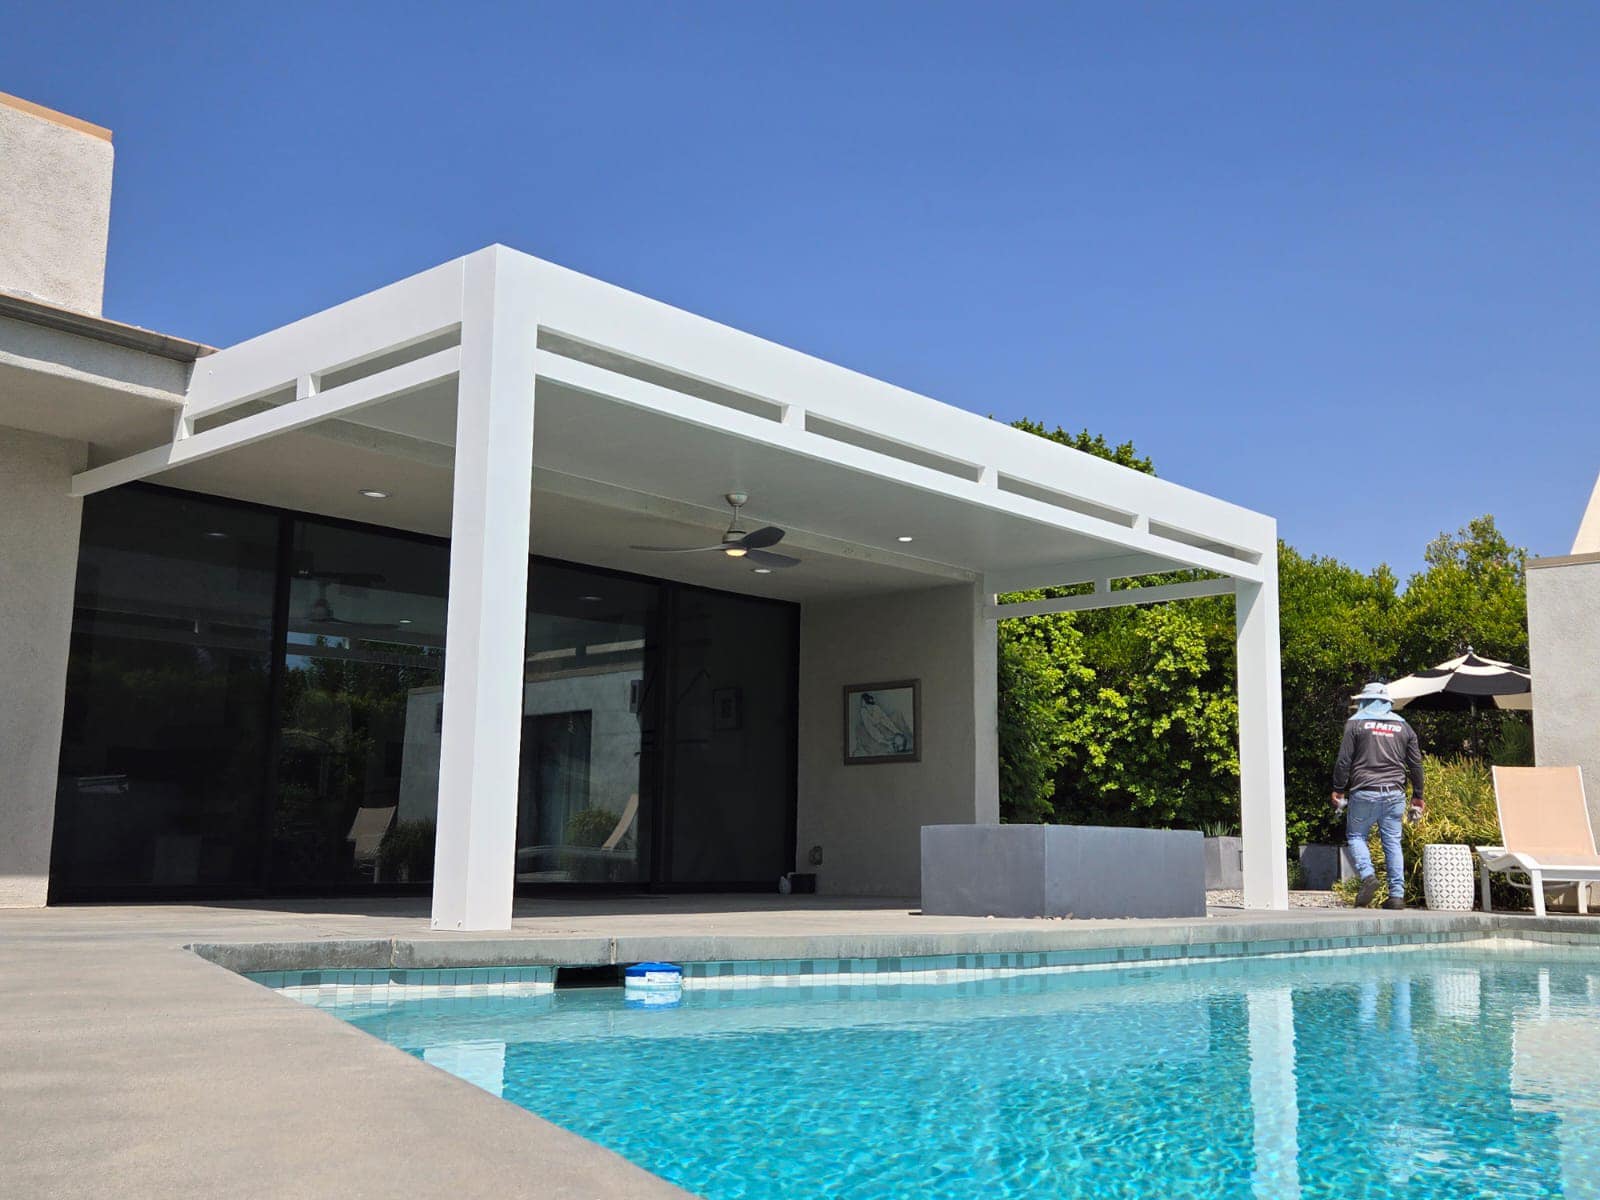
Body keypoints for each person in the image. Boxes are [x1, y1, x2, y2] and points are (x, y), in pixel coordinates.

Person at [1332, 681, 1425, 910]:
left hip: (1365, 791)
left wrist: (1338, 789)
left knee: (1356, 836)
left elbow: (1344, 760)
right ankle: (1396, 895)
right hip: (1395, 794)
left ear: (1364, 701)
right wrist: (1418, 795)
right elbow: (1415, 764)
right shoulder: (1404, 727)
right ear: (1387, 703)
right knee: (1392, 842)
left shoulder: (1355, 723)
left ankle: (1368, 876)